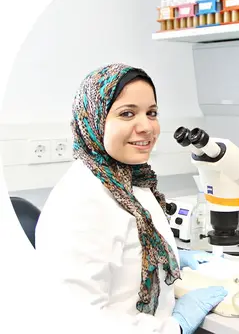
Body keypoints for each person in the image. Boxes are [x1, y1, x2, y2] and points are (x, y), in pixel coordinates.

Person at [35, 63, 228, 334]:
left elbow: (124, 245)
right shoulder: (81, 201)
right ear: (93, 120)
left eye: (152, 113)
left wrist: (172, 254)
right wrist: (176, 327)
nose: (147, 127)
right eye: (127, 114)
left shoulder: (128, 179)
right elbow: (77, 319)